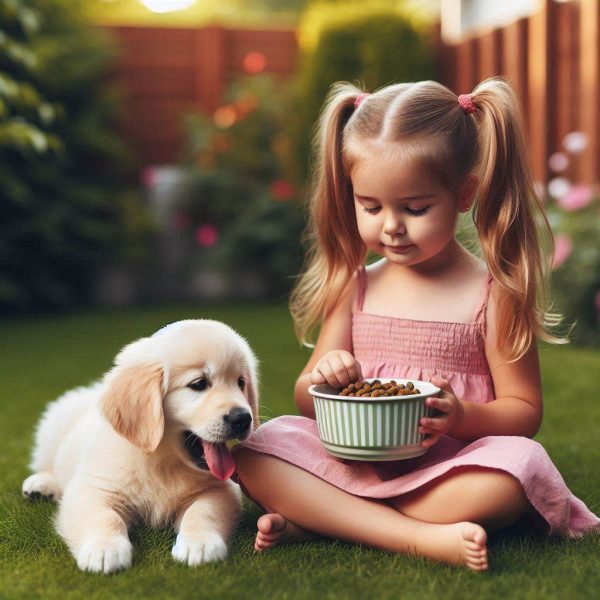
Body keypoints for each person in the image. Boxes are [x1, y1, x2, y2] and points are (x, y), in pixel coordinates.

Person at [232, 78, 600, 571]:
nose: (391, 226)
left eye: (416, 208)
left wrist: (462, 417)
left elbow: (524, 411)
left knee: (520, 468)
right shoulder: (355, 285)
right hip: (353, 464)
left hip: (450, 471)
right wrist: (328, 378)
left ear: (464, 194)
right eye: (371, 206)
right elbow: (307, 396)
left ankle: (328, 518)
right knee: (259, 446)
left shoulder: (494, 293)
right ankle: (419, 537)